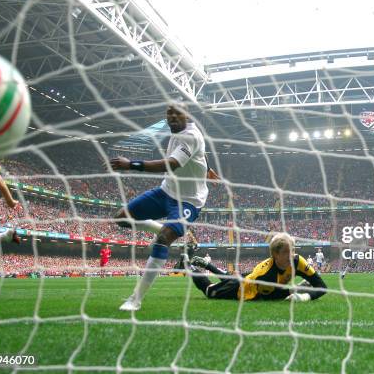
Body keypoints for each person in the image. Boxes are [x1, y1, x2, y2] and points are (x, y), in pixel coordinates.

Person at [111, 103, 216, 311]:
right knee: (122, 217)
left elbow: (171, 164)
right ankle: (160, 229)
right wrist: (208, 167)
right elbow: (198, 154)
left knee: (163, 240)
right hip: (165, 191)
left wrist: (131, 164)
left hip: (188, 200)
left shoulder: (191, 136)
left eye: (178, 113)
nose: (173, 116)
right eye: (169, 113)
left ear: (187, 116)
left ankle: (135, 299)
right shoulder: (180, 132)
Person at [189, 233, 327, 302]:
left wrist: (304, 297)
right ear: (275, 254)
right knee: (209, 291)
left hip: (251, 278)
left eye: (293, 250)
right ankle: (188, 266)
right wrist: (295, 290)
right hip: (240, 289)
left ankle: (207, 265)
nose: (291, 255)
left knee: (228, 276)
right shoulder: (266, 275)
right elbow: (272, 297)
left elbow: (322, 286)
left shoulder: (298, 261)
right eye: (286, 252)